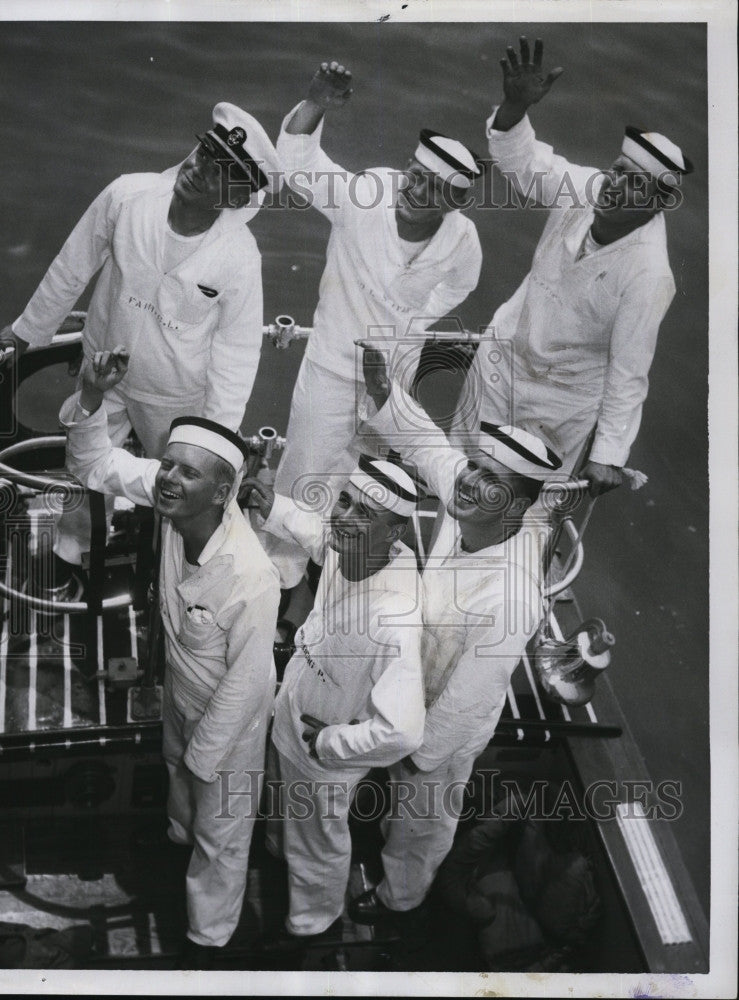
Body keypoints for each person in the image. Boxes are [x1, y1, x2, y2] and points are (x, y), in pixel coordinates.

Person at [0, 103, 281, 596]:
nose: (199, 168)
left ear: (238, 194)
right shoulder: (127, 195)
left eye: (220, 171)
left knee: (181, 491)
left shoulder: (239, 256)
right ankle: (73, 550)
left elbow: (237, 354)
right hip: (102, 375)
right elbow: (71, 267)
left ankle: (165, 575)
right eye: (204, 152)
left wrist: (214, 436)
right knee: (82, 468)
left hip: (176, 401)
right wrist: (24, 335)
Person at [59, 346, 280, 969]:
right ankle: (175, 837)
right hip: (183, 695)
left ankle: (209, 941)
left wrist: (209, 755)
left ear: (225, 491)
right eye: (168, 466)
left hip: (231, 724)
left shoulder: (251, 576)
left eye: (188, 474)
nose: (168, 480)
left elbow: (248, 680)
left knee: (223, 834)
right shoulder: (170, 498)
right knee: (179, 782)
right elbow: (94, 462)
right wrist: (93, 397)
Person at [348, 349, 564, 923]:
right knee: (389, 778)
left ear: (516, 505)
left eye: (490, 480)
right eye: (474, 467)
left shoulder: (513, 598)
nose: (468, 482)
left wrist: (420, 755)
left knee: (423, 818)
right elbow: (428, 446)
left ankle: (400, 896)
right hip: (412, 672)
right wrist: (386, 392)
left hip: (447, 724)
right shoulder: (473, 498)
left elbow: (467, 701)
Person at [265, 59, 484, 587]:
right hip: (330, 369)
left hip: (392, 380)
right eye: (416, 176)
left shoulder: (463, 240)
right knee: (302, 479)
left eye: (435, 189)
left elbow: (461, 286)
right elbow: (297, 164)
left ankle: (346, 578)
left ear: (456, 202)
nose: (416, 191)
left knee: (371, 482)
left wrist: (416, 320)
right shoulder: (366, 194)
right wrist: (316, 100)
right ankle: (281, 579)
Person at [452, 37, 693, 495]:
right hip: (501, 360)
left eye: (634, 184)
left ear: (659, 204)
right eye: (617, 170)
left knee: (525, 510)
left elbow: (629, 371)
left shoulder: (649, 274)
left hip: (561, 402)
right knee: (460, 478)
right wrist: (515, 107)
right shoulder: (586, 187)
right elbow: (523, 165)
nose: (614, 186)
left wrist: (607, 457)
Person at [244, 455, 424, 945]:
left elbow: (404, 731)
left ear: (394, 533)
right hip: (290, 720)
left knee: (317, 848)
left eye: (365, 513)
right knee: (282, 817)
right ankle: (275, 851)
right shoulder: (352, 549)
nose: (345, 517)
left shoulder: (396, 620)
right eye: (345, 501)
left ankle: (313, 924)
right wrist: (272, 506)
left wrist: (329, 744)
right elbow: (314, 532)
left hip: (322, 759)